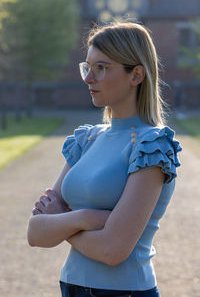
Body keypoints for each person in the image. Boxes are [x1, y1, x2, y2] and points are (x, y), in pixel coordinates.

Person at [27, 20, 182, 297]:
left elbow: (113, 250)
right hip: (70, 288)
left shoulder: (152, 145)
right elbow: (35, 233)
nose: (88, 78)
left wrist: (62, 221)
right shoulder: (87, 139)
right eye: (87, 67)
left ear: (136, 75)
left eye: (102, 68)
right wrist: (86, 217)